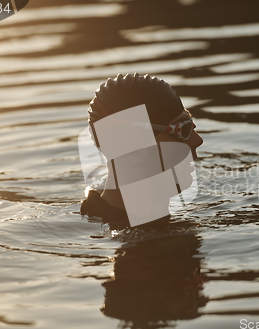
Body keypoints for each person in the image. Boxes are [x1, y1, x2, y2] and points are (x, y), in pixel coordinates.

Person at [80, 73, 203, 227]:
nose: (197, 140)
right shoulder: (144, 244)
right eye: (182, 130)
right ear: (134, 152)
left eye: (191, 123)